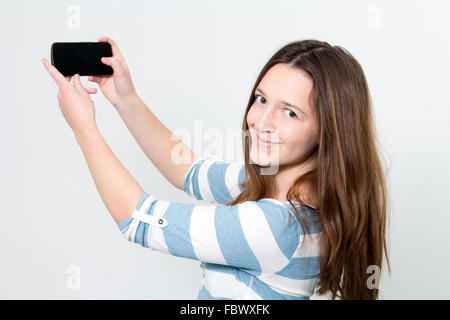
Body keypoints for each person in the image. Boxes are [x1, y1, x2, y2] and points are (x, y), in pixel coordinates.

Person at [42, 37, 391, 300]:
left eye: (290, 112)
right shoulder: (275, 185)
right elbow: (187, 170)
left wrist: (84, 129)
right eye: (262, 99)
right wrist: (125, 99)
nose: (261, 122)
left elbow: (137, 219)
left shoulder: (276, 227)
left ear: (328, 131)